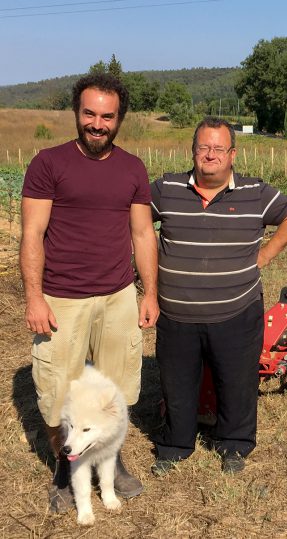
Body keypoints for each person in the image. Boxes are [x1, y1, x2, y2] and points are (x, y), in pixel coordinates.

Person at [20, 73, 159, 512]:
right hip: (62, 298)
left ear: (119, 120)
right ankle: (65, 469)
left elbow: (142, 234)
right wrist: (35, 297)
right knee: (57, 392)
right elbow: (32, 233)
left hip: (118, 296)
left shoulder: (133, 168)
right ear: (77, 113)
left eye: (107, 116)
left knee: (115, 393)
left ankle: (110, 461)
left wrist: (148, 293)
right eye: (90, 114)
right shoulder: (48, 163)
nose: (97, 124)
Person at [150, 117, 287, 475]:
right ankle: (175, 445)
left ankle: (234, 444)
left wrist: (265, 255)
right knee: (177, 382)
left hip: (237, 310)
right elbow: (136, 220)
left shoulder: (255, 192)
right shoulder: (165, 188)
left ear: (232, 154)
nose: (210, 155)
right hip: (176, 313)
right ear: (193, 150)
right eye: (203, 147)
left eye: (219, 148)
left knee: (237, 381)